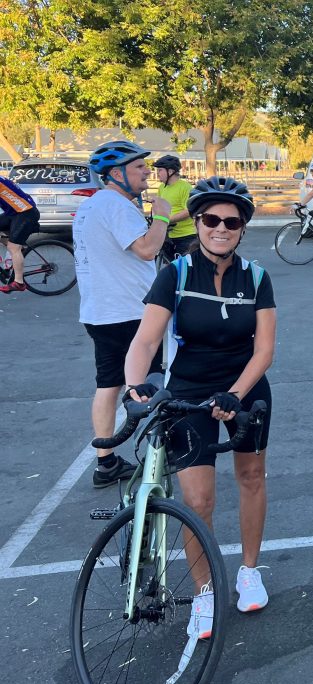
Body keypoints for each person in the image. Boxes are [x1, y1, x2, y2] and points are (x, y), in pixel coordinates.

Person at [124, 176, 276, 632]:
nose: (220, 228)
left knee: (251, 477)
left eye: (231, 222)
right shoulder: (176, 274)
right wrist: (134, 386)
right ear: (197, 222)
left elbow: (264, 350)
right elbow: (145, 340)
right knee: (198, 499)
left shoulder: (257, 277)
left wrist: (236, 393)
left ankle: (249, 572)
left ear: (242, 228)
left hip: (245, 388)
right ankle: (204, 590)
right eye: (211, 219)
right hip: (189, 392)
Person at [74, 140, 169, 488]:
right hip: (130, 311)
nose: (146, 171)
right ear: (116, 174)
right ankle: (161, 456)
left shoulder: (92, 205)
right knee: (155, 381)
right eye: (138, 167)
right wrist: (162, 215)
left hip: (100, 311)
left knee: (108, 384)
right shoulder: (116, 205)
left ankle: (106, 462)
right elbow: (147, 249)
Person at [0, 174, 41, 294]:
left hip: (26, 213)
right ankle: (17, 252)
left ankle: (19, 283)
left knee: (13, 247)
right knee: (14, 247)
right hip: (14, 213)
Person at [153, 155, 196, 257]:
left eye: (160, 170)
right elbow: (159, 206)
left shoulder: (185, 187)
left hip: (186, 236)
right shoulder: (162, 187)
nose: (157, 173)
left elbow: (188, 211)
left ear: (170, 171)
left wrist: (167, 220)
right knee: (169, 265)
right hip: (167, 235)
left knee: (185, 265)